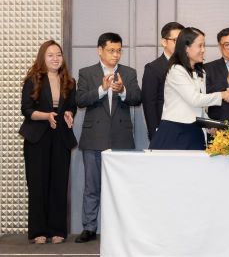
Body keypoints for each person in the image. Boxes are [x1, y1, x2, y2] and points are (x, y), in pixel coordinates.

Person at [75, 32, 141, 243]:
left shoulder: (129, 73)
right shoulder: (87, 73)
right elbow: (81, 100)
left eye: (119, 50)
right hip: (94, 136)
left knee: (121, 188)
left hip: (121, 139)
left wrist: (122, 91)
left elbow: (137, 98)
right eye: (111, 50)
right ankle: (89, 228)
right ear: (100, 50)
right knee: (91, 187)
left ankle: (121, 229)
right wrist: (102, 89)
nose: (116, 55)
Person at [19, 40, 77, 245]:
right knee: (38, 184)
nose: (55, 58)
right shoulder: (32, 80)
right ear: (43, 57)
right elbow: (26, 110)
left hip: (60, 136)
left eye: (58, 54)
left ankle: (57, 230)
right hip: (37, 137)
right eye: (50, 55)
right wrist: (46, 116)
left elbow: (71, 107)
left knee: (59, 184)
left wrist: (70, 114)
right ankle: (38, 231)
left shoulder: (70, 81)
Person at [148, 27, 229, 150]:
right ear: (186, 48)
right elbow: (194, 99)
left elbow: (198, 107)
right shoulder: (176, 70)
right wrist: (222, 95)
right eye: (200, 46)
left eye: (204, 46)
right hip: (175, 131)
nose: (203, 50)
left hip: (194, 131)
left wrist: (208, 123)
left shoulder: (200, 71)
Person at [142, 22, 185, 140]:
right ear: (164, 42)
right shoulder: (153, 68)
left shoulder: (190, 66)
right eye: (176, 40)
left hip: (187, 130)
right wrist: (155, 132)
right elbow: (149, 104)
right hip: (164, 130)